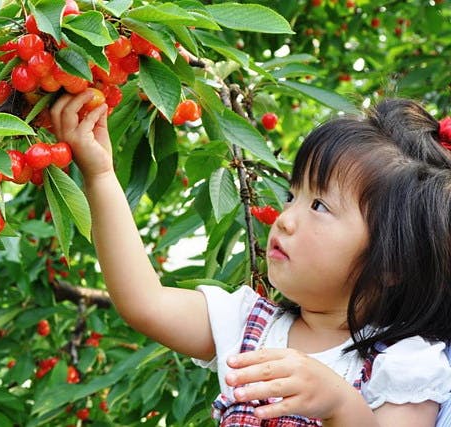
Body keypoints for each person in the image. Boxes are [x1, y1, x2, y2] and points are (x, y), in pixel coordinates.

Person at [50, 92, 451, 426]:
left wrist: (340, 405)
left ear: (390, 264)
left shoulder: (405, 364)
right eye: (293, 196)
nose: (286, 218)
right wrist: (100, 175)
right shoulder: (252, 328)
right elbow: (144, 302)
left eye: (320, 206)